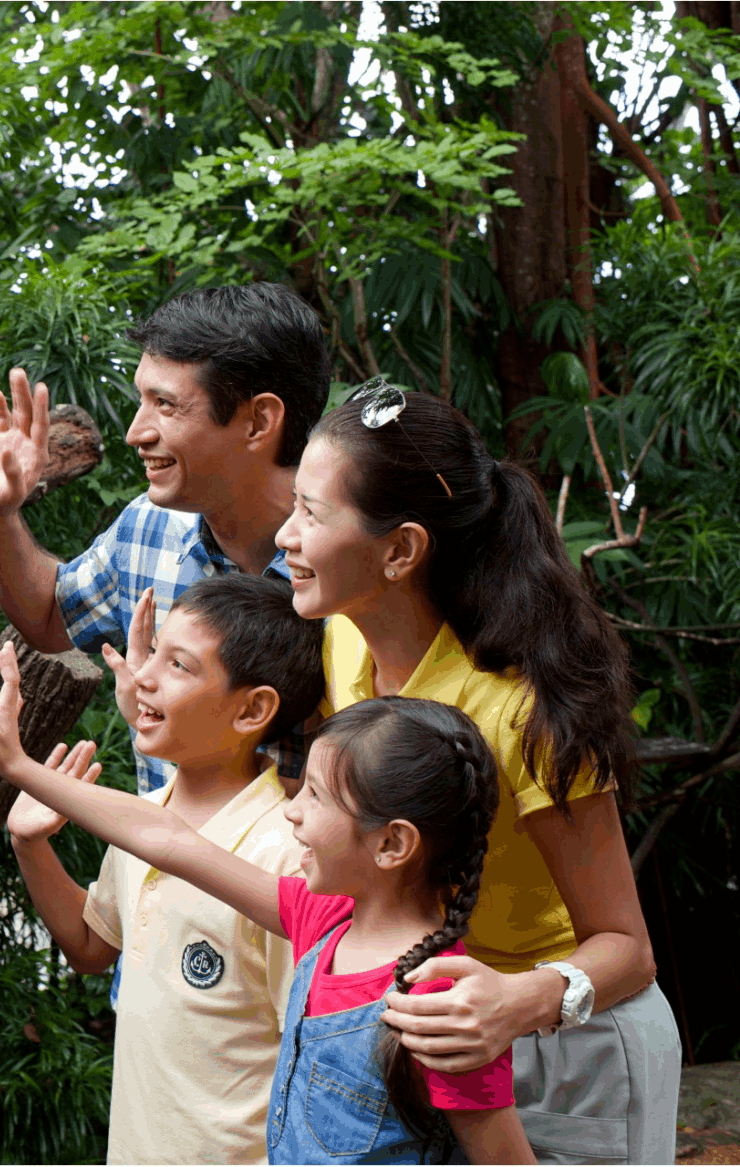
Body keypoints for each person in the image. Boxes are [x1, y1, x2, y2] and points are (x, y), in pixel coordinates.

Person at [276, 382, 680, 1163]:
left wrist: (517, 1000)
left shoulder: (518, 712)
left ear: (399, 550)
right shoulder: (344, 641)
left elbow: (627, 948)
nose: (286, 536)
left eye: (312, 514)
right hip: (455, 1034)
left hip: (575, 1044)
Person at [0, 669, 538, 1165]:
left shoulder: (443, 1009)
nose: (292, 809)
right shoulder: (323, 920)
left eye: (316, 797)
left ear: (392, 844)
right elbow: (167, 839)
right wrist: (19, 767)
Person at [5, 573, 322, 1163]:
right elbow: (93, 948)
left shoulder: (282, 859)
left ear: (253, 709)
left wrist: (17, 764)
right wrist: (31, 846)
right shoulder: (142, 821)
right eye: (153, 653)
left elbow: (312, 1066)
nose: (142, 676)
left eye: (178, 665)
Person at [0, 283, 331, 794]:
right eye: (142, 399)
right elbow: (51, 618)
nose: (135, 432)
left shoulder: (355, 559)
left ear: (259, 420)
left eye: (165, 404)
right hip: (160, 865)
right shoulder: (148, 524)